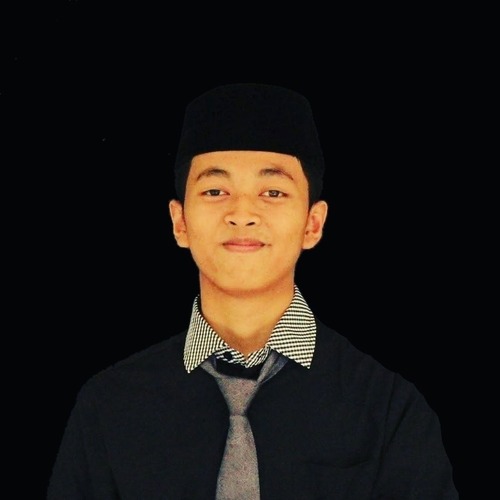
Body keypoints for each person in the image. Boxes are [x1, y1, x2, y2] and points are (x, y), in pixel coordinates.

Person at [47, 83, 458, 499]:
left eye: (273, 192)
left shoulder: (389, 410)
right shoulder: (108, 406)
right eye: (215, 191)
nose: (242, 213)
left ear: (313, 224)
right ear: (180, 222)